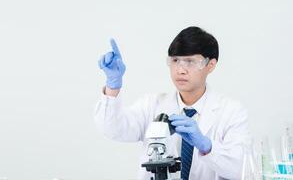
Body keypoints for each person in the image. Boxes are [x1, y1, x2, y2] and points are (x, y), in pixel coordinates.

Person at [95, 26, 250, 179]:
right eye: (175, 60)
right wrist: (112, 85)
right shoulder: (152, 105)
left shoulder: (232, 112)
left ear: (210, 65)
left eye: (190, 61)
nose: (180, 70)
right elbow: (113, 128)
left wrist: (207, 146)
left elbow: (242, 169)